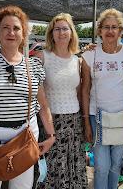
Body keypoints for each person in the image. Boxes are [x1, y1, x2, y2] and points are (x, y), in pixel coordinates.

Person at [0, 5, 56, 189]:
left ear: (23, 33)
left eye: (16, 28)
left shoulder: (34, 66)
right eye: (5, 28)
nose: (11, 32)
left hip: (25, 137)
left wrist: (51, 135)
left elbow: (43, 105)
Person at [81, 8, 123, 189]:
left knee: (115, 166)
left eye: (114, 27)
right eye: (106, 27)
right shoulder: (89, 55)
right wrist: (86, 123)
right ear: (100, 30)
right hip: (97, 117)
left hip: (122, 117)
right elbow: (85, 89)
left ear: (121, 30)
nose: (110, 31)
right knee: (102, 167)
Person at [35, 13, 88, 188]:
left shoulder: (77, 60)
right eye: (56, 29)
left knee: (73, 166)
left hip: (74, 121)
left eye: (65, 28)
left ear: (72, 33)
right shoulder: (42, 57)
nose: (61, 32)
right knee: (52, 168)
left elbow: (79, 93)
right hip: (51, 122)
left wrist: (84, 121)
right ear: (51, 33)